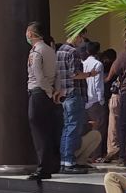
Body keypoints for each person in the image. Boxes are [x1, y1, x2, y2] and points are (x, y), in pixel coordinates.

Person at [25, 21, 59, 180]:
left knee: (39, 131)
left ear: (31, 34)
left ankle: (43, 167)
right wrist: (53, 90)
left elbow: (38, 76)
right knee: (48, 130)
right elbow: (56, 73)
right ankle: (50, 164)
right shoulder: (50, 50)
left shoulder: (36, 52)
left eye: (27, 32)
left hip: (39, 92)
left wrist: (48, 91)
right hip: (48, 92)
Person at [56, 30, 90, 175]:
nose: (82, 40)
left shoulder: (59, 51)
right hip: (75, 93)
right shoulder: (73, 52)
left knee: (67, 127)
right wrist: (90, 74)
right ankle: (69, 161)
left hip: (64, 93)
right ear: (77, 36)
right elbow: (75, 74)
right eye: (82, 37)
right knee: (74, 127)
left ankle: (65, 160)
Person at [98, 48, 118, 162]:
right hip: (109, 97)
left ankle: (102, 152)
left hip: (103, 98)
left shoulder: (103, 67)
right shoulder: (112, 68)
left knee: (104, 126)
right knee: (107, 125)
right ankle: (105, 151)